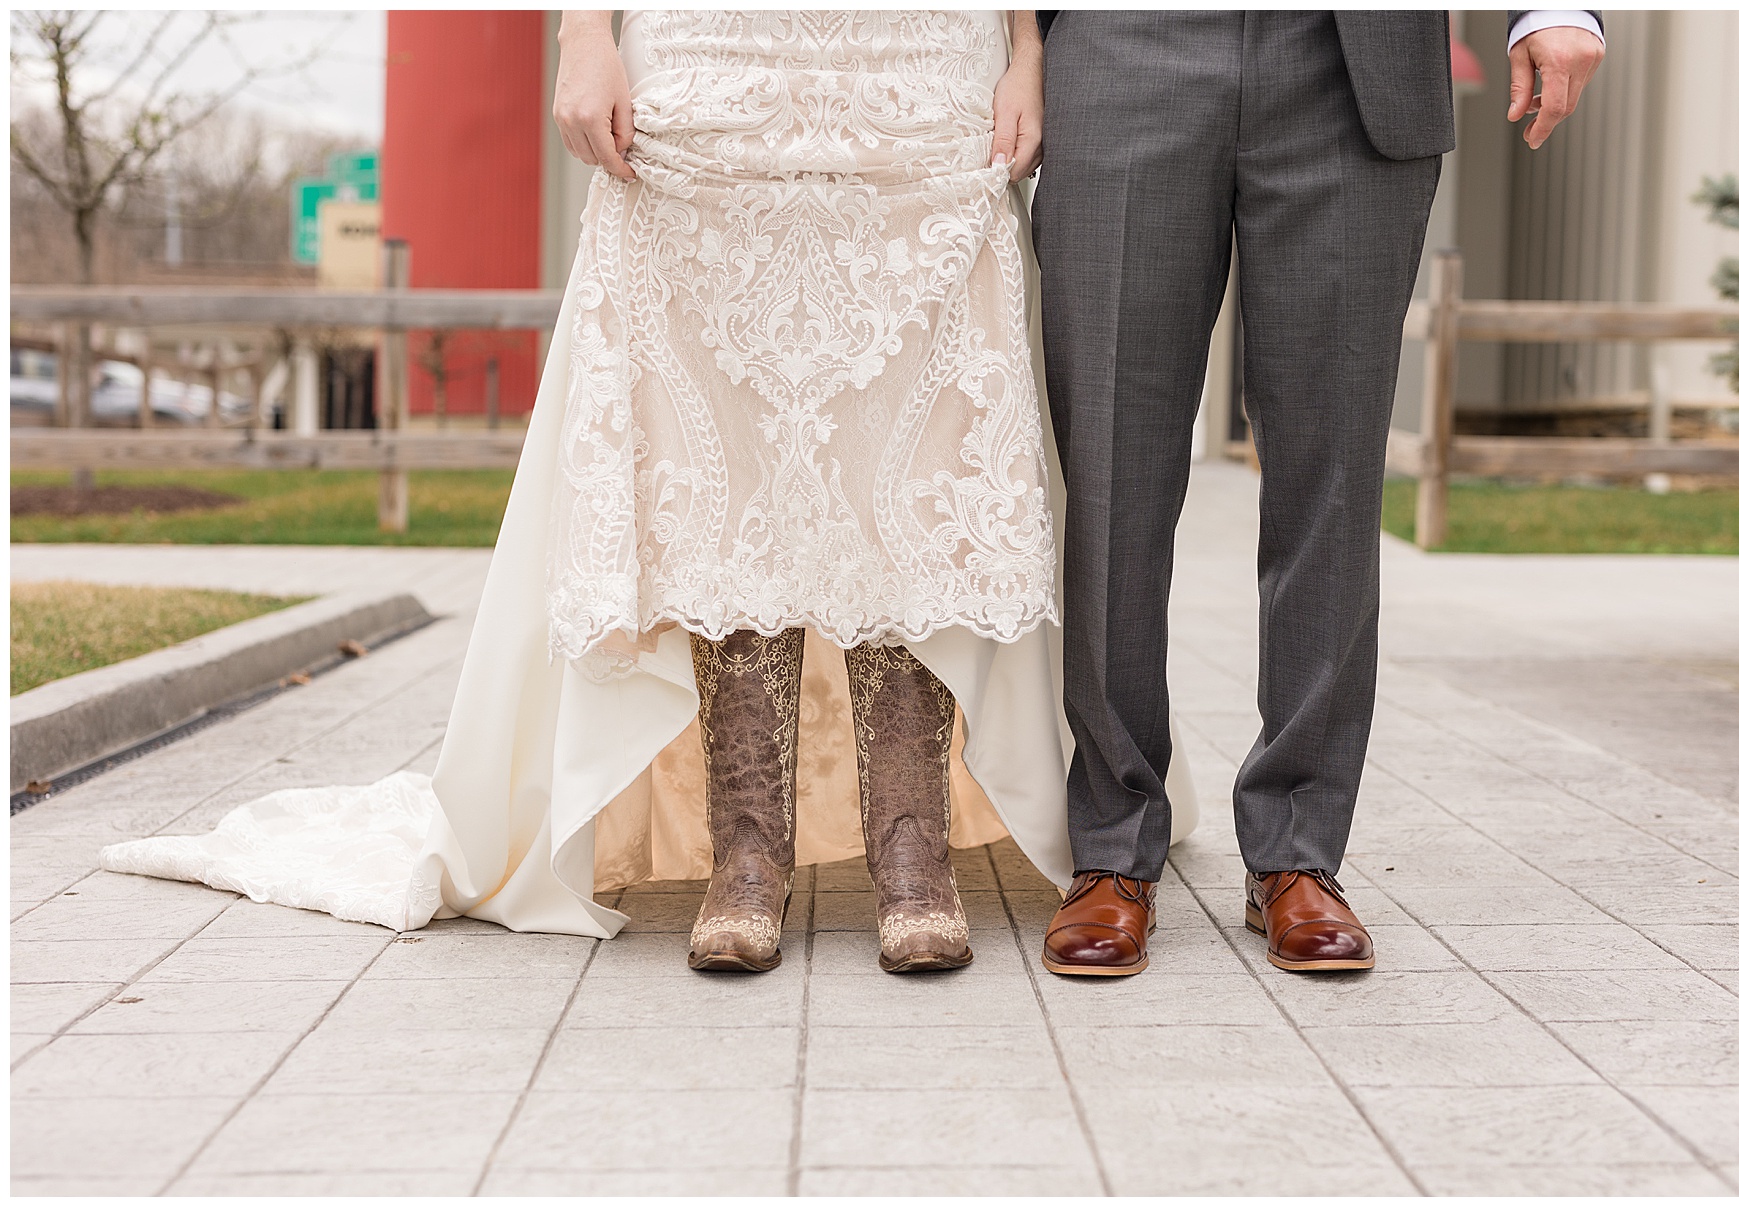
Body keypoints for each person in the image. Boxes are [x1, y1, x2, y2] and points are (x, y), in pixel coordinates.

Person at [101, 10, 1090, 973]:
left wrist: (1025, 43)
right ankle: (747, 849)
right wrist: (582, 35)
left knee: (905, 460)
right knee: (719, 457)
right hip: (713, 59)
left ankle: (909, 842)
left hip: (915, 65)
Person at [1030, 10, 1605, 976]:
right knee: (1112, 471)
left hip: (1351, 63)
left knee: (1332, 477)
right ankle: (1113, 846)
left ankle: (1298, 851)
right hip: (1125, 46)